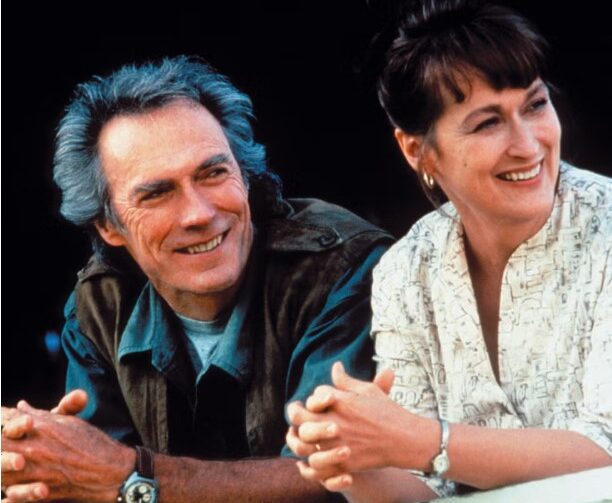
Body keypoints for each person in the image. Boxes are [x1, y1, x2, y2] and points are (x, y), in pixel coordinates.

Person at [0, 56, 393, 502]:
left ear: (245, 176)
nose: (200, 214)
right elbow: (90, 482)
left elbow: (333, 479)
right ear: (108, 227)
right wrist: (35, 461)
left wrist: (132, 474)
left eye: (213, 173)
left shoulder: (342, 267)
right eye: (157, 193)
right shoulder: (99, 305)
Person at [286, 1, 612, 501]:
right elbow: (423, 487)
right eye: (488, 123)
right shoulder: (405, 271)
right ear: (416, 150)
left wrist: (424, 441)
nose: (528, 144)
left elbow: (606, 453)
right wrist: (347, 458)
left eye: (535, 105)